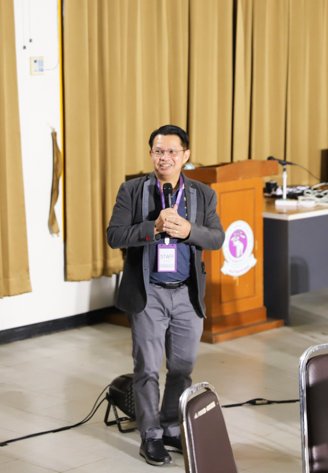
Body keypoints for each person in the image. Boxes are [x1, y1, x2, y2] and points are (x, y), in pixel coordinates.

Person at [107, 124, 224, 466]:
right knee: (146, 369)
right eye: (159, 151)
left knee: (182, 369)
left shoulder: (203, 194)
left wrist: (189, 231)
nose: (165, 158)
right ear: (151, 154)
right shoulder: (132, 190)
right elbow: (115, 236)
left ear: (186, 155)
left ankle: (172, 427)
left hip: (187, 294)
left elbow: (216, 238)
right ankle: (151, 436)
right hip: (149, 294)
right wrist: (152, 229)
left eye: (172, 151)